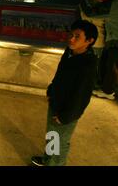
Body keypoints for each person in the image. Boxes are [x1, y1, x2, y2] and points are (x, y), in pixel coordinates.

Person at [31, 20, 98, 166]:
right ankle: (48, 161)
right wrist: (51, 89)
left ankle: (54, 164)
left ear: (89, 41)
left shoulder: (88, 64)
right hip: (56, 101)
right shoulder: (69, 52)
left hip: (66, 111)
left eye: (77, 36)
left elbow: (82, 95)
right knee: (52, 136)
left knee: (59, 143)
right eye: (71, 34)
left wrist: (66, 116)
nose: (71, 39)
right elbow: (59, 74)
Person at [92, 0, 118, 100]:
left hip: (117, 39)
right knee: (113, 64)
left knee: (113, 65)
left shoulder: (115, 5)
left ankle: (108, 91)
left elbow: (95, 14)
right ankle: (107, 89)